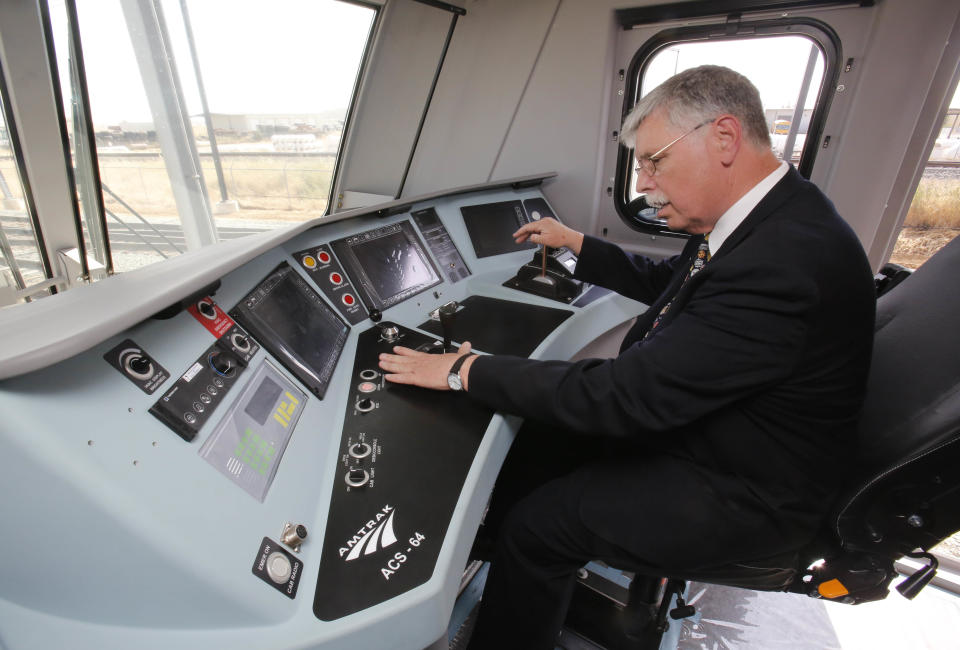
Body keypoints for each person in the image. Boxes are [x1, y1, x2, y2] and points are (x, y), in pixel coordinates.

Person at [378, 65, 876, 649]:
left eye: (654, 161)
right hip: (734, 438)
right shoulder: (765, 217)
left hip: (748, 494)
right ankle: (483, 562)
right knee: (536, 442)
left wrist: (464, 370)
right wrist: (579, 246)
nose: (643, 185)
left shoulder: (785, 261)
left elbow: (627, 398)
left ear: (723, 137)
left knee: (540, 528)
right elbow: (674, 281)